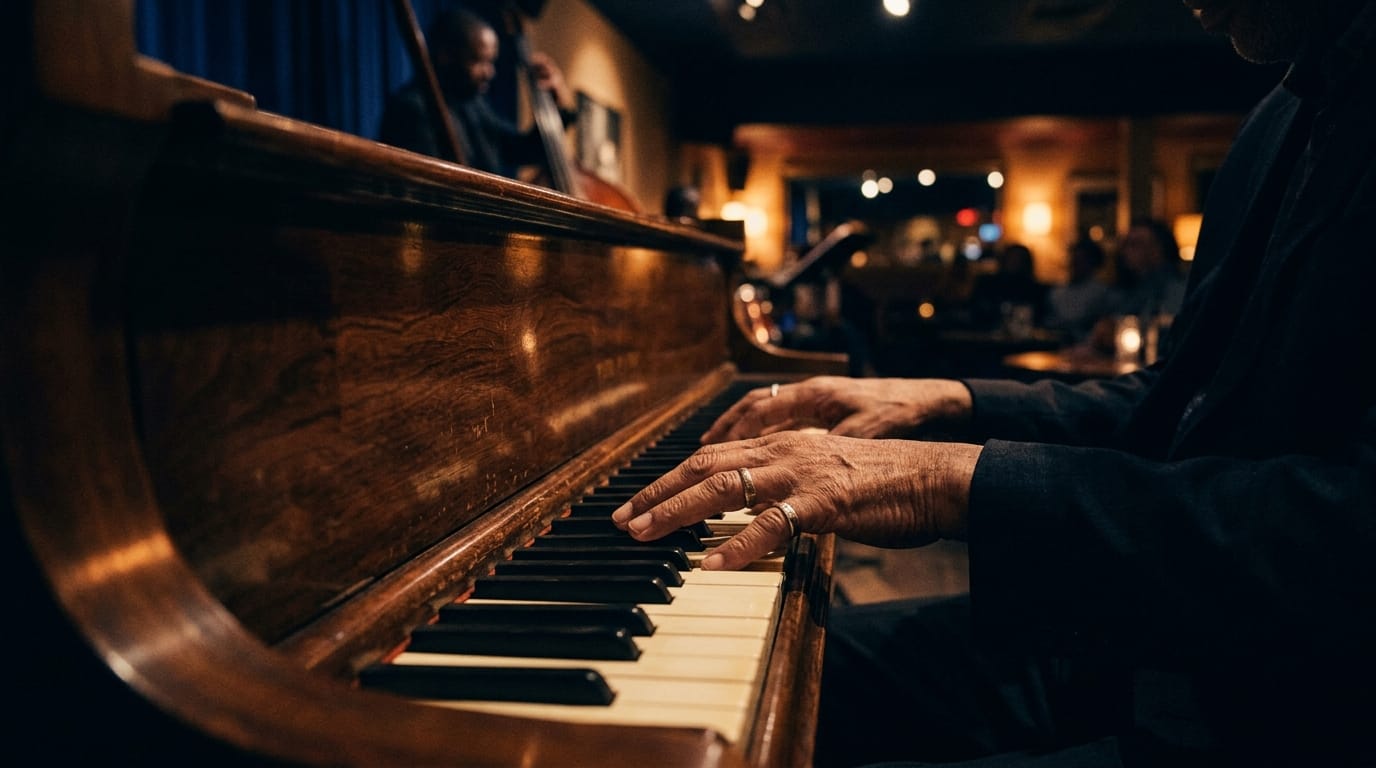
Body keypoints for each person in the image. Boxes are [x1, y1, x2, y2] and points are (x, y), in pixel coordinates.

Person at [611, 1, 1376, 765]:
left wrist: (952, 481)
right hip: (1148, 637)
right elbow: (1176, 403)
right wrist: (944, 400)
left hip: (1289, 714)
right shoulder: (1281, 114)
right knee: (691, 700)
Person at [378, 7, 576, 180]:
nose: (489, 73)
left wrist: (560, 109)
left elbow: (520, 149)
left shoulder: (473, 107)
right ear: (445, 55)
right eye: (479, 61)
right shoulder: (412, 110)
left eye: (491, 62)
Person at [1043, 237, 1120, 344]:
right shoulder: (1056, 293)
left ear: (1093, 264)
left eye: (1081, 260)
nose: (1075, 264)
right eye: (1073, 259)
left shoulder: (1103, 293)